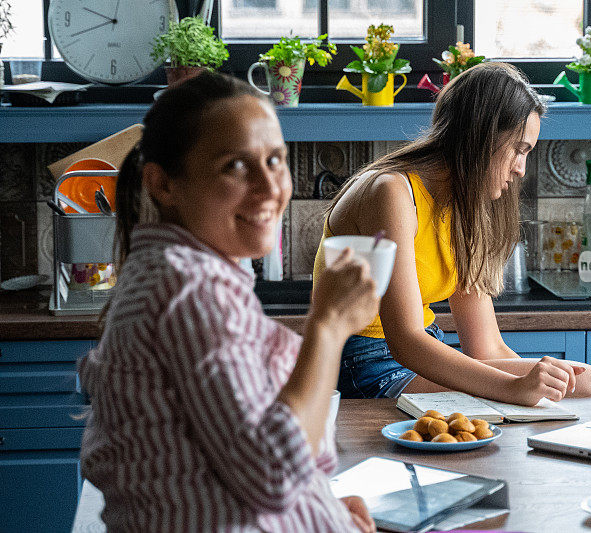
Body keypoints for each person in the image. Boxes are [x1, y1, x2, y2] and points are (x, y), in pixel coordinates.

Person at [78, 72, 377, 533]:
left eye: (275, 160)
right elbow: (271, 475)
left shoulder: (187, 272)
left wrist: (323, 509)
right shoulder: (190, 288)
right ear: (163, 185)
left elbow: (214, 468)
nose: (268, 187)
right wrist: (329, 324)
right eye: (235, 166)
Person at [313, 62, 591, 404]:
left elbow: (486, 347)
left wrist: (536, 388)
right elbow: (406, 340)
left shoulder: (464, 205)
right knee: (526, 395)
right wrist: (513, 389)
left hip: (427, 352)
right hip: (365, 363)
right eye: (519, 149)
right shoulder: (391, 192)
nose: (521, 169)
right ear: (482, 136)